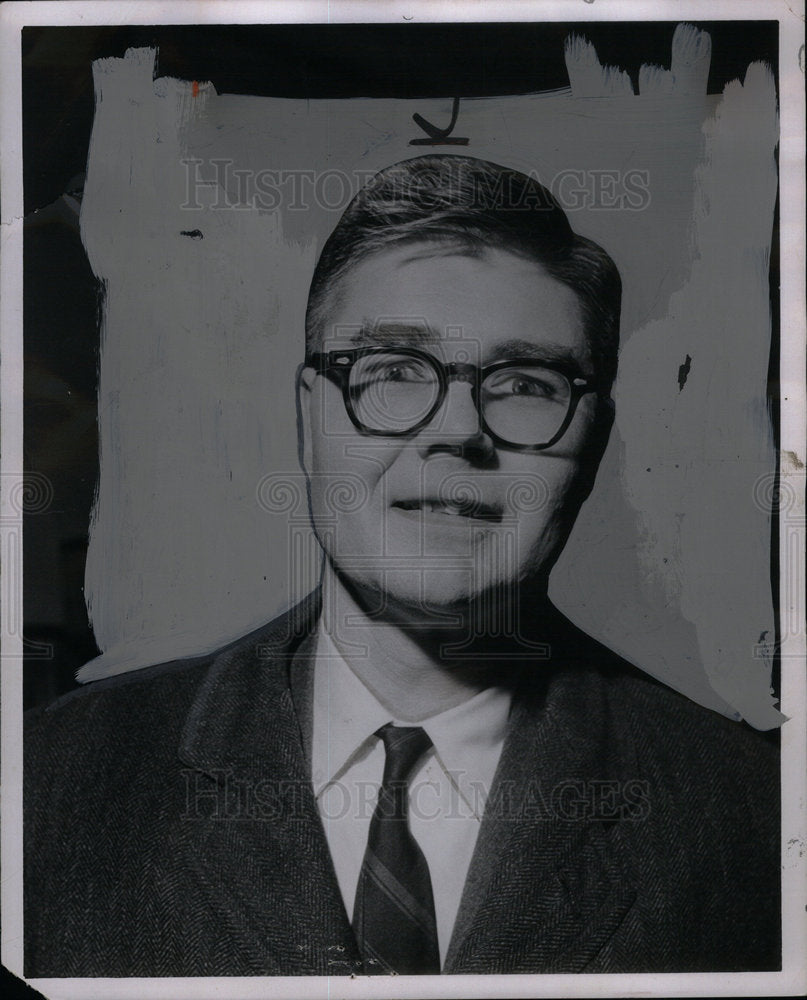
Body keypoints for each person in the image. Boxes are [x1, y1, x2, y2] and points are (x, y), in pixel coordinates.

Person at [25, 155, 780, 978]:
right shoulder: (48, 782)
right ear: (308, 417)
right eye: (391, 372)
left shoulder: (754, 816)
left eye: (524, 381)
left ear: (592, 442)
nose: (457, 431)